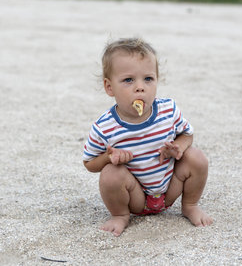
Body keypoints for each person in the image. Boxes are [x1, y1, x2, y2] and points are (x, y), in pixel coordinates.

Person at [83, 37, 213, 236]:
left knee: (196, 157)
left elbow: (187, 135)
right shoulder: (105, 126)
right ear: (110, 87)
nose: (140, 87)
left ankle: (190, 205)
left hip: (169, 188)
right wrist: (109, 158)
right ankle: (120, 215)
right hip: (136, 197)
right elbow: (89, 163)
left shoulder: (168, 110)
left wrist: (178, 147)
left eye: (148, 79)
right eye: (128, 80)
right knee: (110, 174)